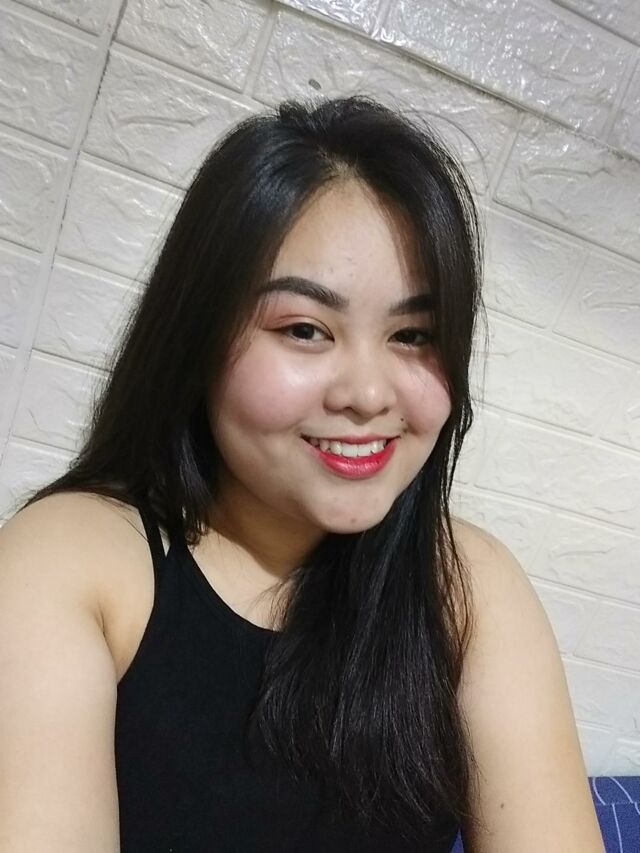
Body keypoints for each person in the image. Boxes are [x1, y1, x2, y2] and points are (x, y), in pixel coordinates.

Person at [0, 95, 604, 852]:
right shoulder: (76, 561)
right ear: (197, 334)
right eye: (306, 329)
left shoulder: (467, 588)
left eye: (413, 335)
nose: (370, 394)